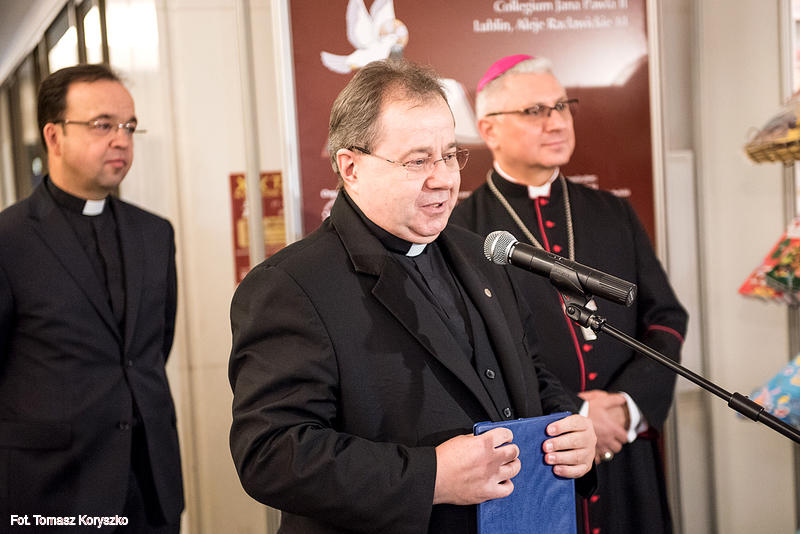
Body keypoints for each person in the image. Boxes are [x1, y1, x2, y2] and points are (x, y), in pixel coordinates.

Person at [229, 59, 597, 534]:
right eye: (418, 161)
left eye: (450, 155)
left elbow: (532, 375)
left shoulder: (483, 254)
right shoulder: (290, 285)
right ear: (351, 167)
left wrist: (569, 430)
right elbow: (271, 455)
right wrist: (431, 477)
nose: (444, 178)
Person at [449, 54, 689, 534]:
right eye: (535, 111)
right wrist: (576, 414)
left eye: (562, 106)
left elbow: (665, 318)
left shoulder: (612, 212)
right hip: (539, 453)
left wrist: (627, 406)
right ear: (489, 130)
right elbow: (470, 356)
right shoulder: (461, 230)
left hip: (624, 447)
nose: (557, 122)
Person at [0, 64, 184, 533]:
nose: (121, 140)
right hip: (51, 488)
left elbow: (152, 350)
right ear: (54, 136)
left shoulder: (154, 234)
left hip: (149, 483)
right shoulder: (9, 239)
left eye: (129, 127)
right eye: (103, 125)